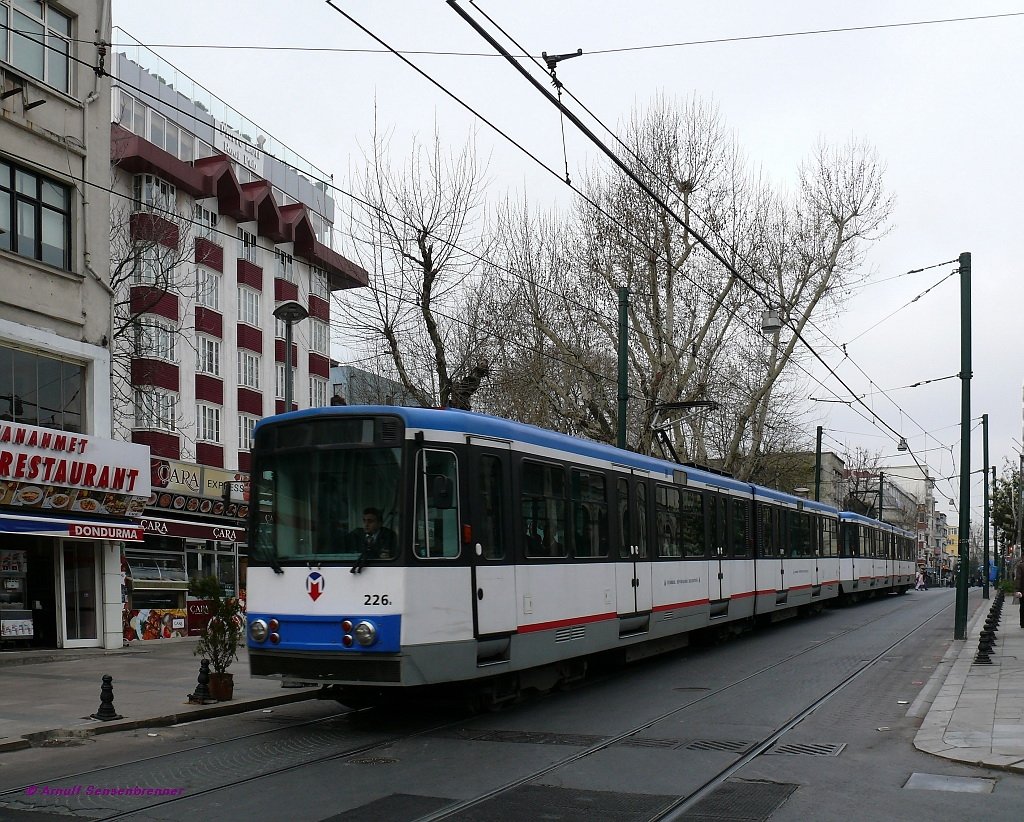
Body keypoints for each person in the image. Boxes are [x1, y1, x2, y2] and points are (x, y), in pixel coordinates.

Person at [1014, 561, 1024, 629]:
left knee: (1022, 606)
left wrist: (1017, 590)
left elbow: (1018, 578)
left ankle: (1022, 622)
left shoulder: (1020, 566)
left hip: (1023, 590)